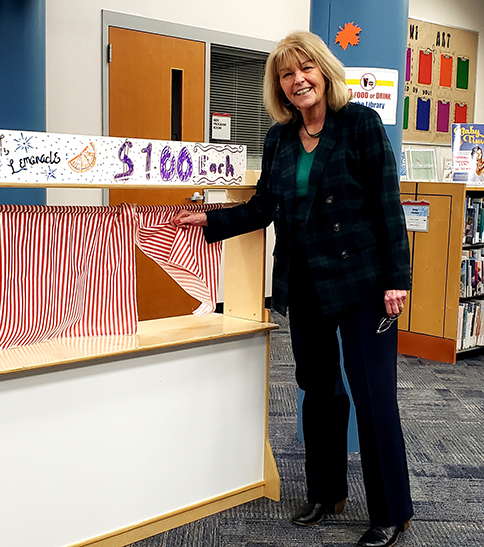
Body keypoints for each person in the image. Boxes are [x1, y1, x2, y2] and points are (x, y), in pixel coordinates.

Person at [173, 31, 413, 547]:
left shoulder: (360, 124)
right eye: (286, 73)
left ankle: (391, 511)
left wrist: (398, 280)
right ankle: (327, 493)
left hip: (363, 283)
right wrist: (209, 219)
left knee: (374, 398)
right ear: (278, 85)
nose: (297, 79)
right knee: (318, 390)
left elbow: (386, 206)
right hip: (303, 286)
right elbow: (264, 207)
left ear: (324, 71)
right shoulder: (279, 136)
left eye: (306, 68)